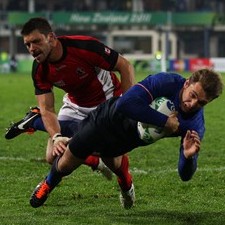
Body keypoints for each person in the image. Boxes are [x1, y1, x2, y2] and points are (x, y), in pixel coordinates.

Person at [29, 68, 223, 209]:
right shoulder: (167, 82)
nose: (192, 104)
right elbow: (126, 103)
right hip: (108, 119)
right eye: (193, 95)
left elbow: (185, 176)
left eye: (201, 102)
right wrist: (164, 121)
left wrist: (188, 158)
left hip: (128, 139)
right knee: (66, 163)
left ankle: (126, 184)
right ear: (187, 83)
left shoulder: (195, 126)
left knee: (114, 164)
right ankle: (47, 183)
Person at [6, 17, 136, 207]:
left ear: (51, 37)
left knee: (113, 161)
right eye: (27, 44)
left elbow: (125, 66)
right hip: (75, 104)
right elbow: (47, 109)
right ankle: (65, 168)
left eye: (36, 41)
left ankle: (126, 185)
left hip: (106, 102)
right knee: (53, 155)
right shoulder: (39, 68)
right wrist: (57, 135)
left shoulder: (83, 47)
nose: (32, 49)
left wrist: (126, 105)